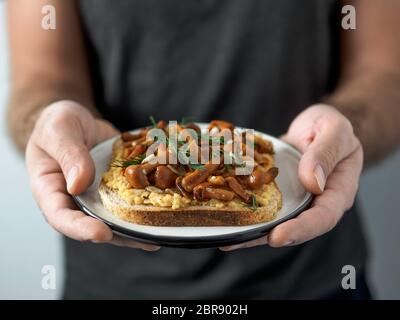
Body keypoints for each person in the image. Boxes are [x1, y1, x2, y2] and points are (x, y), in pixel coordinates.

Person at [6, 0, 400, 299]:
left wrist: (348, 126)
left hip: (316, 277)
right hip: (110, 282)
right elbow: (41, 80)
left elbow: (384, 75)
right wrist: (48, 119)